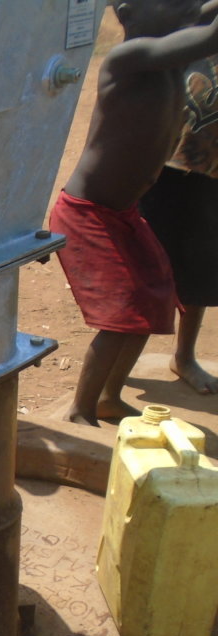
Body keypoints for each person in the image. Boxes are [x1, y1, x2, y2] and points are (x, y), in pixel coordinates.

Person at [50, 0, 218, 426]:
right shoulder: (128, 59)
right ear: (129, 14)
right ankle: (80, 409)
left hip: (122, 212)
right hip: (89, 213)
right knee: (122, 316)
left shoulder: (168, 64)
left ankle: (108, 397)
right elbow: (208, 33)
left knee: (152, 301)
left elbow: (199, 25)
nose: (187, 6)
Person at [139, 52, 218, 394]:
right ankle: (114, 367)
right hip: (163, 168)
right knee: (142, 267)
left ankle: (184, 357)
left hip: (211, 175)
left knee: (199, 265)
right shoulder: (190, 28)